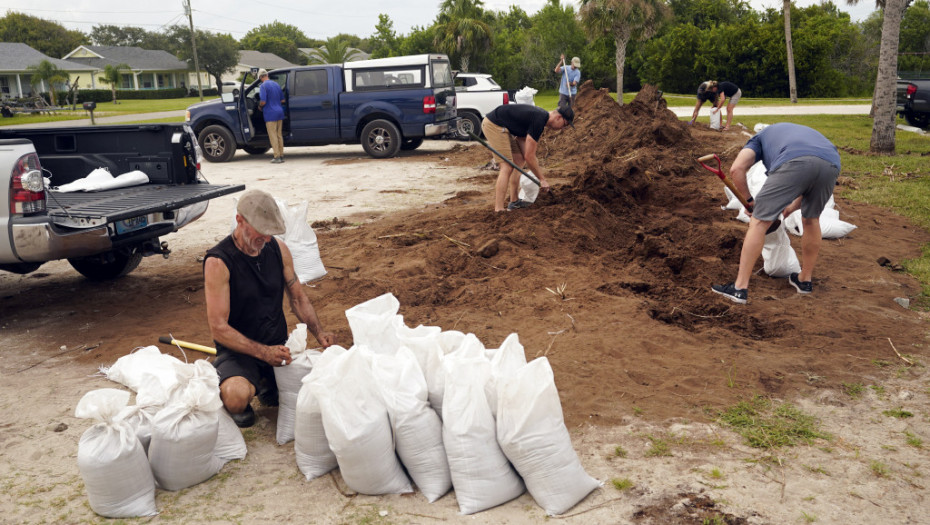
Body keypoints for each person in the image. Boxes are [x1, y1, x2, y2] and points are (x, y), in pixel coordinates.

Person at [204, 189, 336, 427]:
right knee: (236, 398)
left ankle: (267, 383)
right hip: (240, 353)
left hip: (279, 349)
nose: (266, 240)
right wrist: (263, 353)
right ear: (240, 220)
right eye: (261, 232)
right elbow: (218, 328)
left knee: (328, 380)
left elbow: (297, 298)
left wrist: (319, 332)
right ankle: (249, 381)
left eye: (270, 234)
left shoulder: (278, 249)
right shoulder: (218, 262)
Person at [711, 123, 841, 305]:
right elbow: (809, 177)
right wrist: (788, 209)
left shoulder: (757, 139)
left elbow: (736, 169)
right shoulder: (791, 133)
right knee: (811, 220)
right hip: (831, 162)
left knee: (758, 223)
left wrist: (749, 202)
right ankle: (804, 280)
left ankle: (739, 288)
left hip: (793, 161)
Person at [480, 103, 574, 212]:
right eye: (565, 124)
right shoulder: (539, 120)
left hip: (504, 127)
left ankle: (514, 201)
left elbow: (524, 145)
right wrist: (541, 179)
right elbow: (530, 157)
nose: (562, 128)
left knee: (519, 160)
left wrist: (534, 165)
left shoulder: (540, 118)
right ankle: (499, 209)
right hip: (494, 125)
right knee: (507, 167)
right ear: (558, 117)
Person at [258, 69, 286, 163]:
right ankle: (281, 155)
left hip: (270, 114)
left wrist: (260, 106)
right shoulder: (276, 84)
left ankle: (276, 156)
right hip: (279, 112)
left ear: (261, 77)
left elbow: (263, 101)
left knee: (273, 135)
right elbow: (283, 100)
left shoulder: (263, 86)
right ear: (267, 75)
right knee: (279, 135)